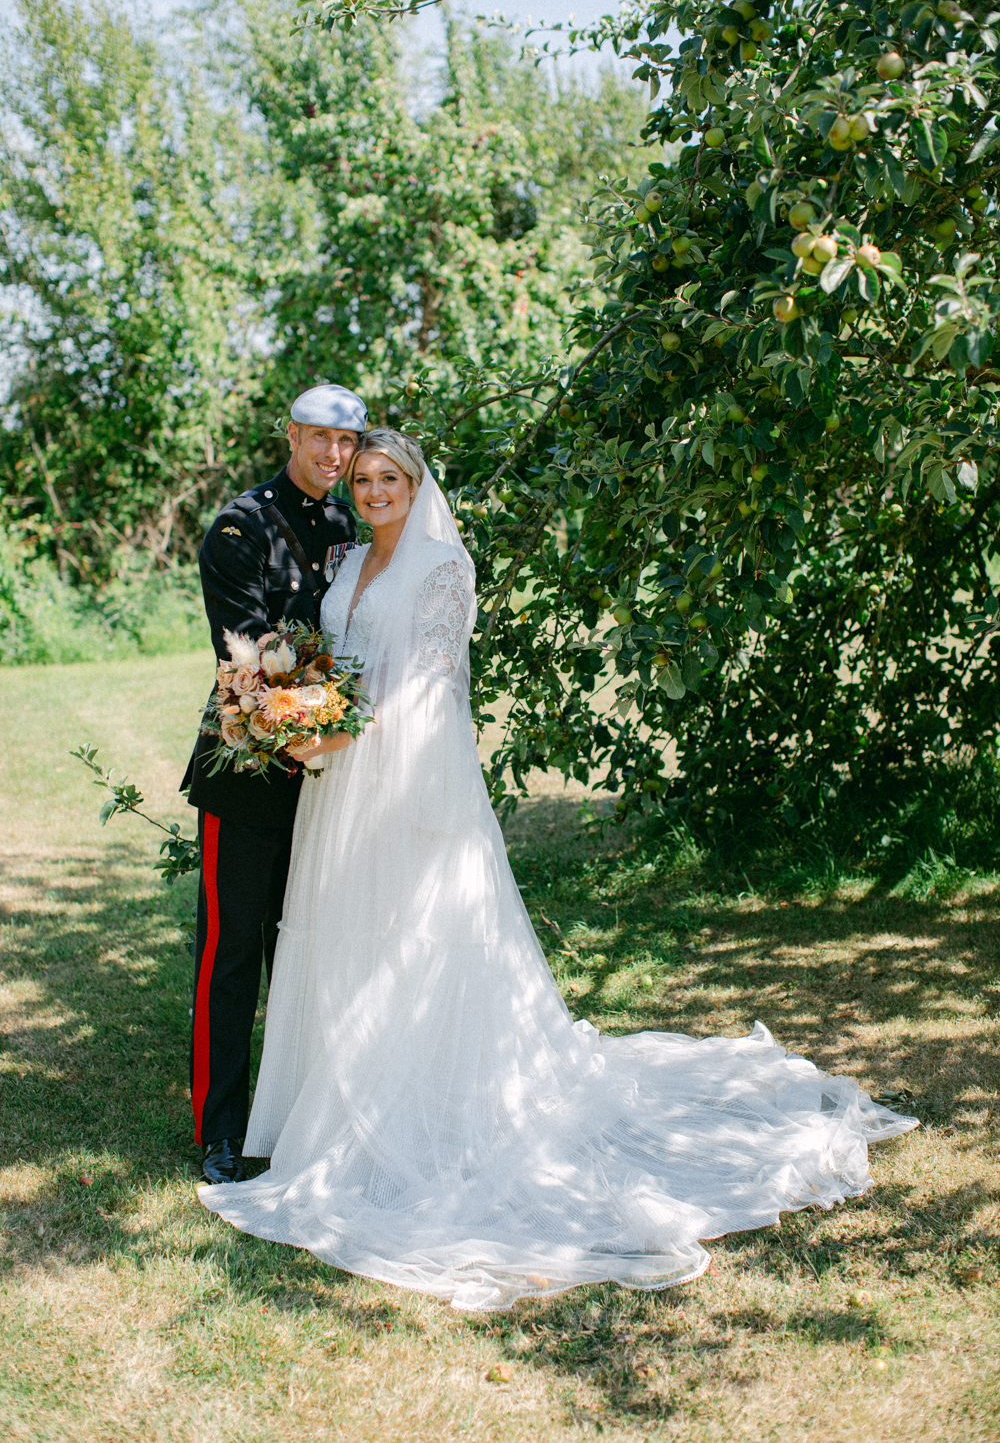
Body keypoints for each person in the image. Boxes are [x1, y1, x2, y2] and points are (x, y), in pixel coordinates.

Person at [199, 429, 918, 1311]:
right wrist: (302, 719)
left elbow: (428, 684)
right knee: (347, 936)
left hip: (406, 774)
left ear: (419, 485)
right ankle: (337, 1111)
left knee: (416, 942)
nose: (377, 489)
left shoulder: (441, 568)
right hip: (339, 780)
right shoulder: (346, 562)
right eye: (365, 478)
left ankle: (423, 1116)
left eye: (393, 477)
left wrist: (340, 732)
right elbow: (330, 660)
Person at [182, 383, 366, 1186]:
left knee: (306, 950)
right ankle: (219, 1132)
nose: (333, 456)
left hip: (325, 780)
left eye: (347, 443)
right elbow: (249, 654)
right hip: (249, 772)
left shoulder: (348, 522)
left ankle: (295, 1115)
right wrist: (333, 717)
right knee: (230, 956)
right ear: (291, 435)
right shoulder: (241, 524)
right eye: (320, 439)